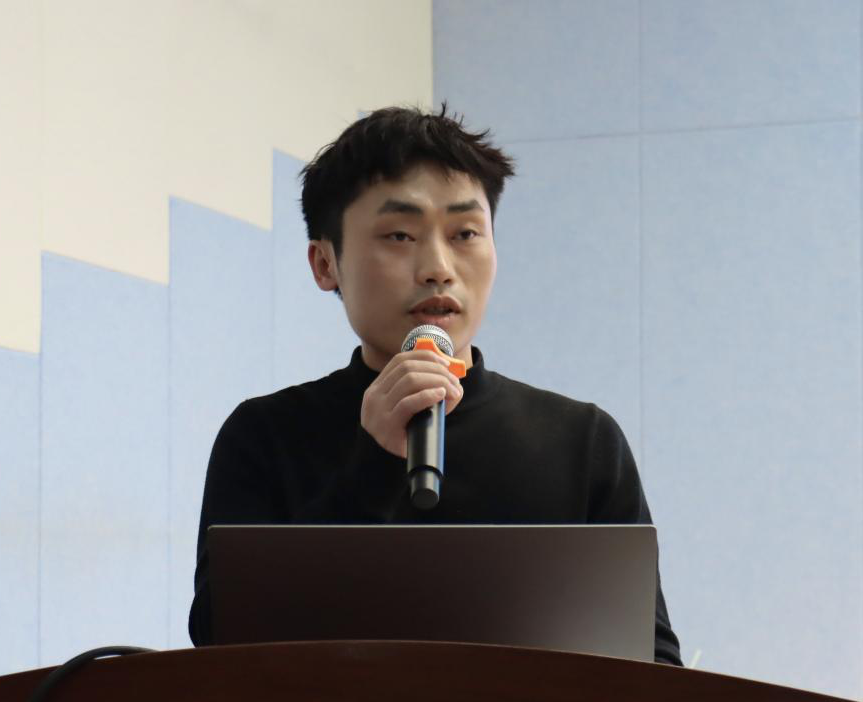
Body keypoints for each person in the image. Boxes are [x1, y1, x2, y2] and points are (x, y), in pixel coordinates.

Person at [188, 105, 682, 665]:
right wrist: (372, 463)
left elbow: (653, 660)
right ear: (325, 264)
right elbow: (219, 642)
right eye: (400, 235)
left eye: (465, 233)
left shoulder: (581, 440)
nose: (438, 268)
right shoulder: (265, 435)